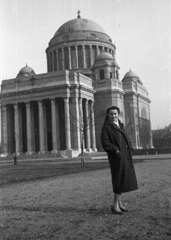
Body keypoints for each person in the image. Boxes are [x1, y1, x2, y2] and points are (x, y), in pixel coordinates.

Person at [101, 106, 138, 215]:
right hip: (116, 157)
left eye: (115, 114)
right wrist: (116, 150)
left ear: (118, 114)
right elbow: (105, 143)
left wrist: (130, 149)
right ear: (108, 115)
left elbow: (127, 138)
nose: (113, 116)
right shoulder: (106, 127)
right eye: (111, 114)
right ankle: (114, 205)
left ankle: (119, 204)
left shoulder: (121, 125)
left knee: (122, 179)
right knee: (118, 179)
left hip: (124, 156)